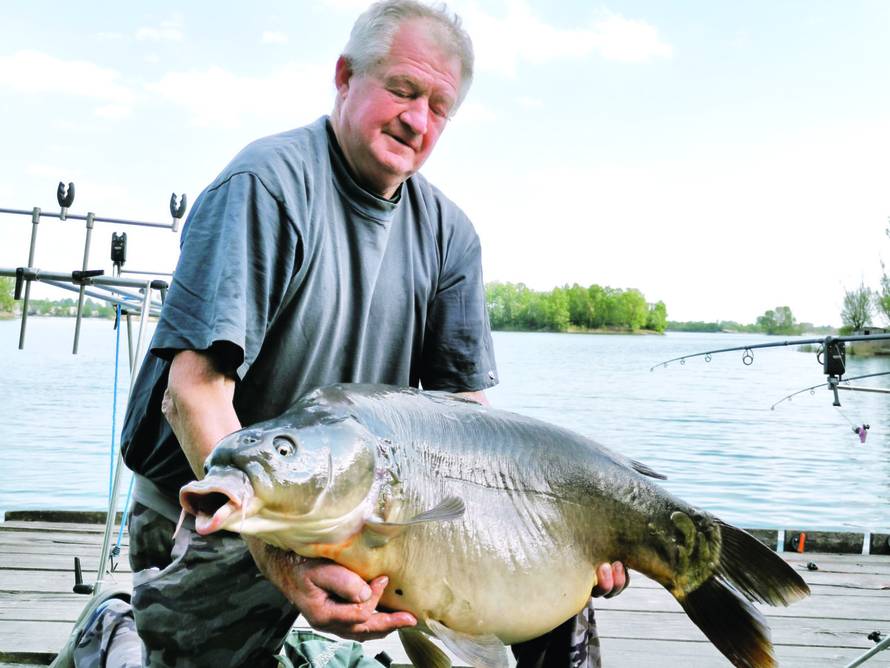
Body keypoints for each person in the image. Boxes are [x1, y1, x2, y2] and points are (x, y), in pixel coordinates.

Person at [52, 2, 626, 666]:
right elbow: (193, 395)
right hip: (227, 503)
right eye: (403, 90)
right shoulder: (265, 185)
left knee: (545, 615)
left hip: (371, 510)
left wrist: (573, 537)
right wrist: (286, 564)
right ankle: (116, 630)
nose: (417, 119)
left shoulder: (450, 236)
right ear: (346, 76)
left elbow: (470, 425)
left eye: (438, 108)